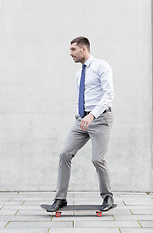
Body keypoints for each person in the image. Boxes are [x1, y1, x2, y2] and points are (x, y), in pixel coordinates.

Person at [47, 36, 114, 212]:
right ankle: (60, 198)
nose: (70, 53)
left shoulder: (101, 67)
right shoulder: (79, 73)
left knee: (97, 159)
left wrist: (91, 116)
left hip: (99, 119)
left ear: (83, 49)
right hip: (81, 121)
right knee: (65, 154)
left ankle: (107, 196)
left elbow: (108, 95)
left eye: (73, 50)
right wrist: (81, 116)